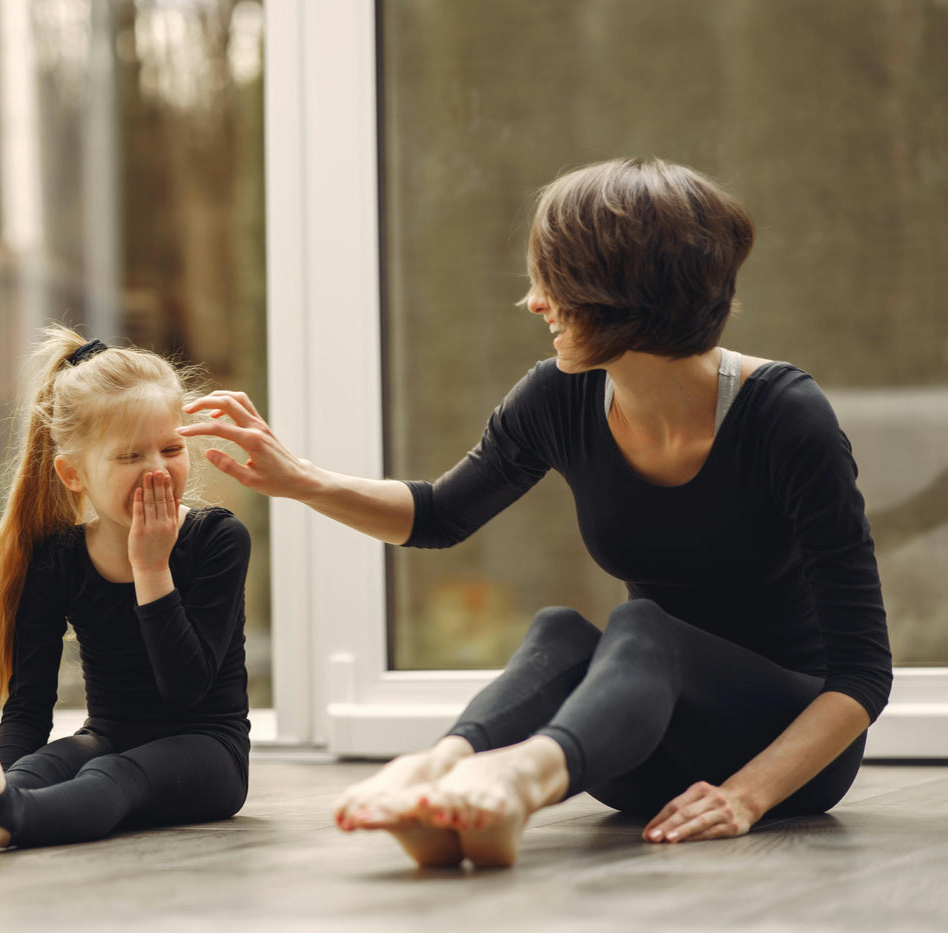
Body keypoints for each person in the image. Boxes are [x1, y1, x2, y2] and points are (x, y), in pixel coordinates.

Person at [179, 157, 892, 868]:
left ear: (616, 291)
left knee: (642, 625)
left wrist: (746, 795)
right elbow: (438, 515)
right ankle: (444, 774)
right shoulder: (559, 396)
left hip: (790, 754)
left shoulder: (785, 418)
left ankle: (518, 778)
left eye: (552, 280)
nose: (534, 302)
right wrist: (298, 478)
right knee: (561, 629)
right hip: (638, 742)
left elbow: (862, 674)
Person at [0, 324, 252, 854]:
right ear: (73, 474)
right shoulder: (59, 559)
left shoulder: (217, 540)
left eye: (171, 448)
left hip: (208, 753)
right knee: (47, 764)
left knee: (114, 775)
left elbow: (185, 689)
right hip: (107, 735)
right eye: (130, 456)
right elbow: (29, 706)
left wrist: (152, 569)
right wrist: (3, 773)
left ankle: (2, 817)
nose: (157, 471)